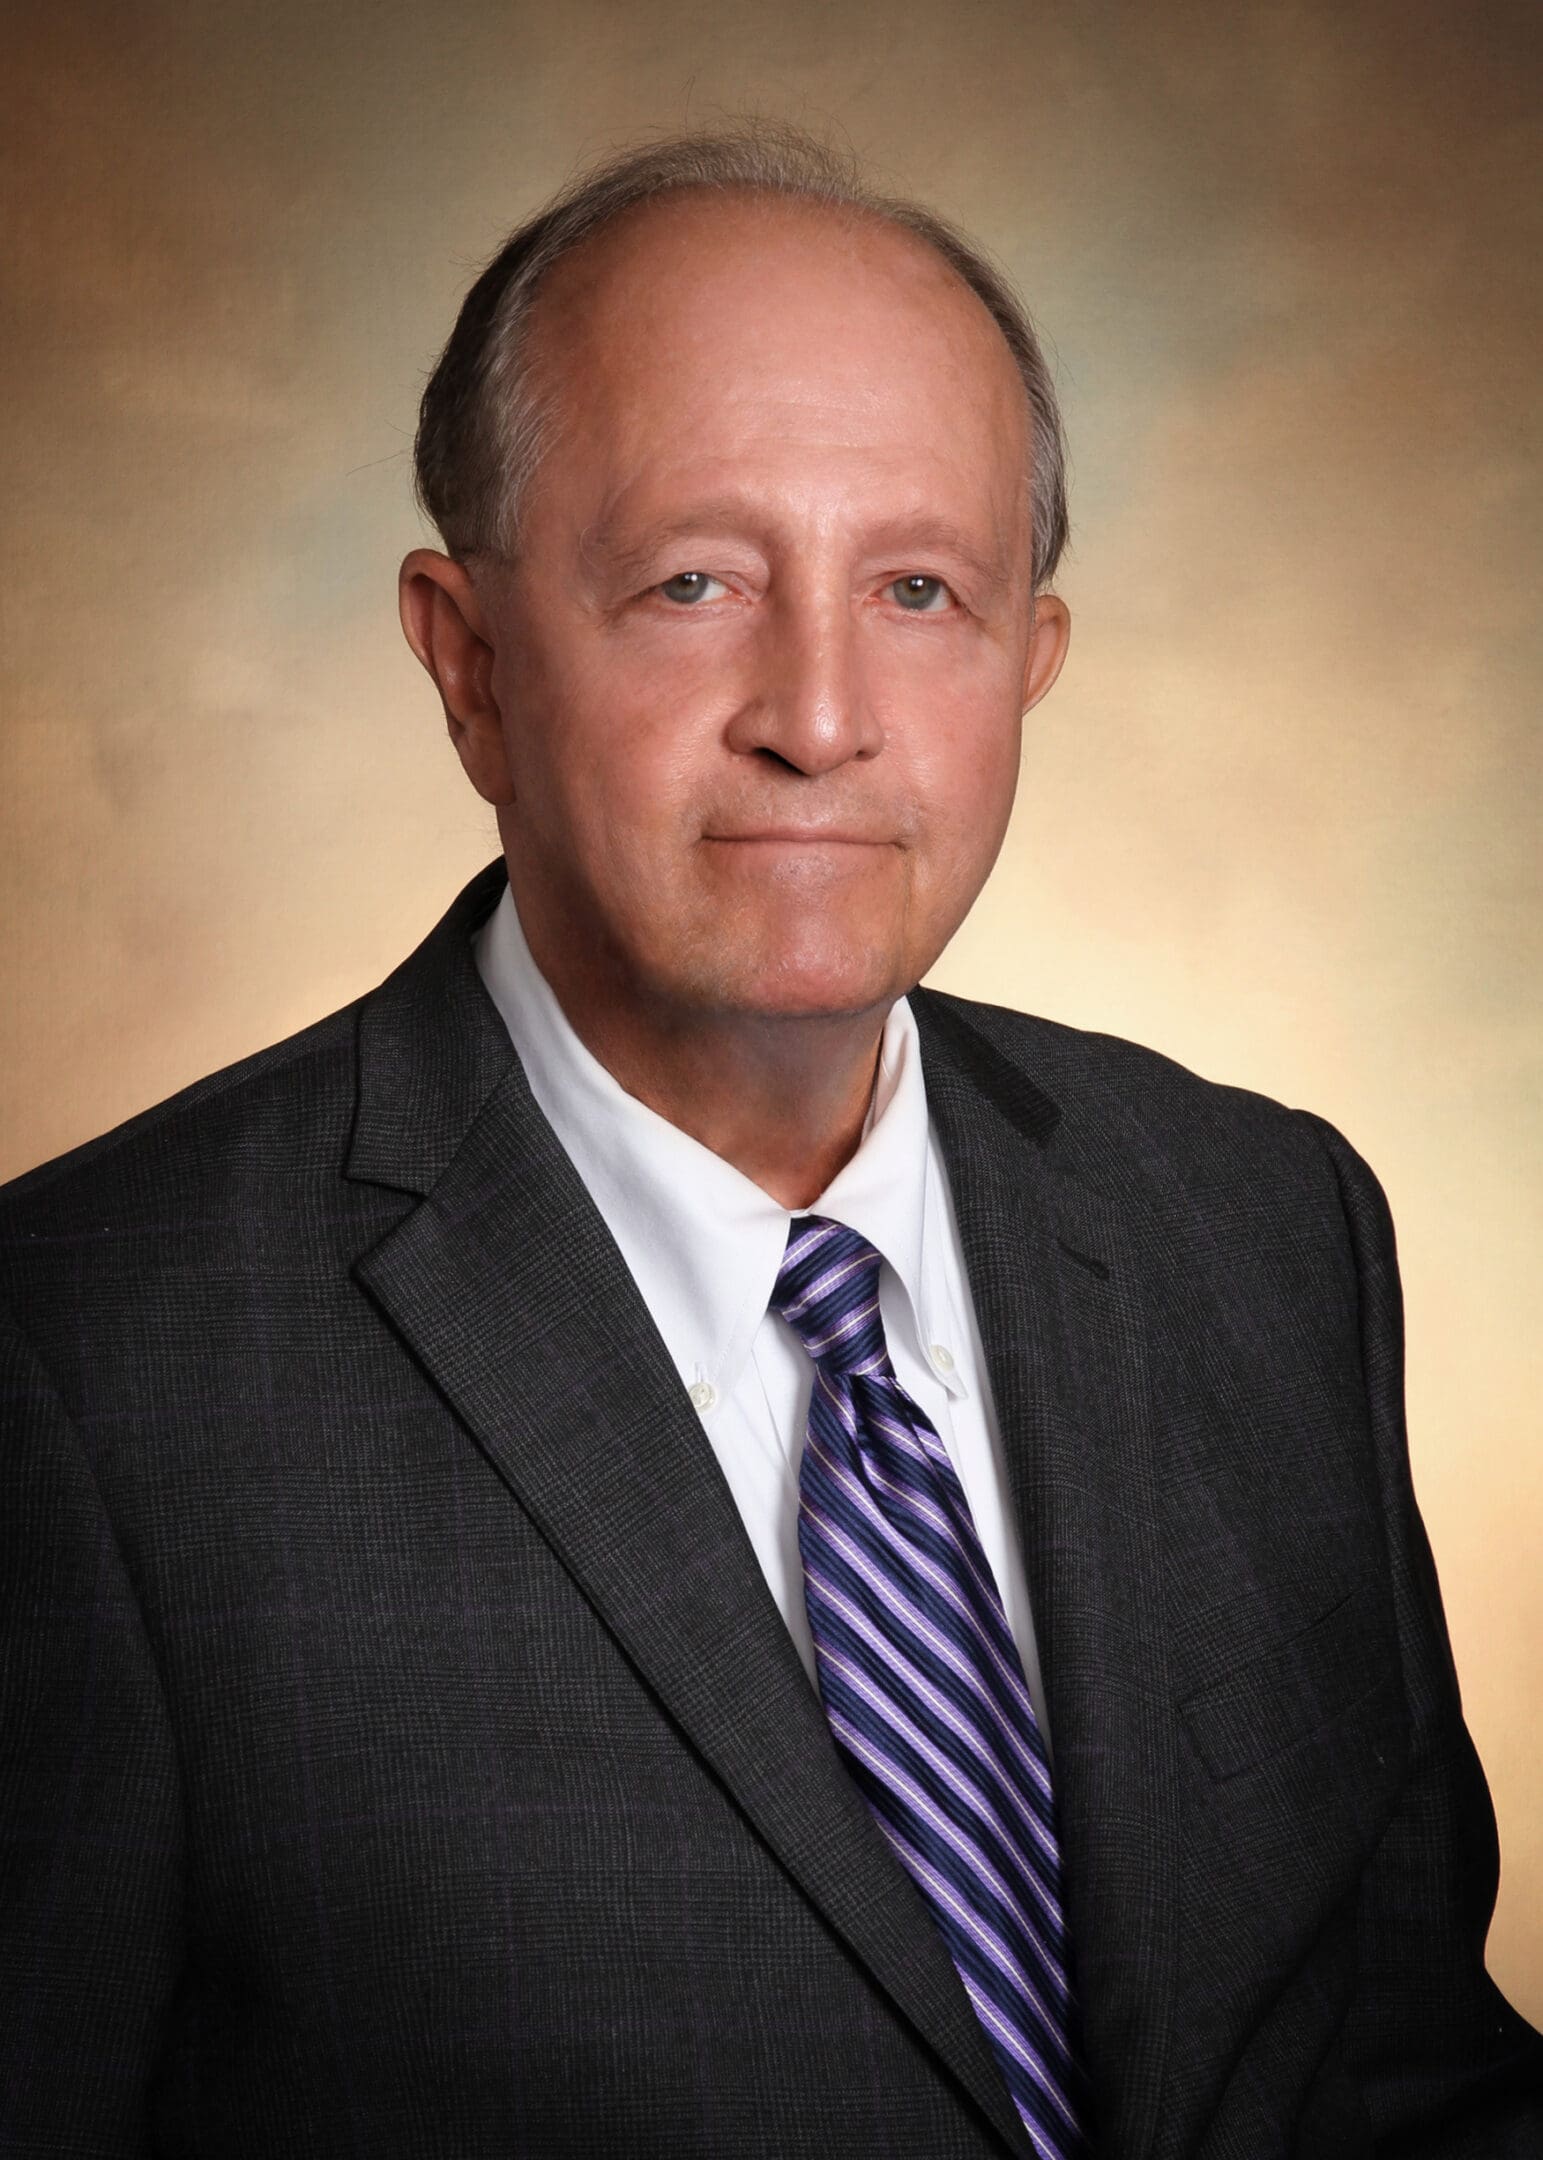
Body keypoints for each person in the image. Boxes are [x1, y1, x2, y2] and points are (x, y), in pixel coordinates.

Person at [1, 124, 1538, 2160]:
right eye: (694, 581)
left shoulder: (1262, 1229)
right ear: (468, 667)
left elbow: (1412, 2081)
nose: (819, 712)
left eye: (919, 588)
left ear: (1028, 666)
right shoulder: (85, 1367)